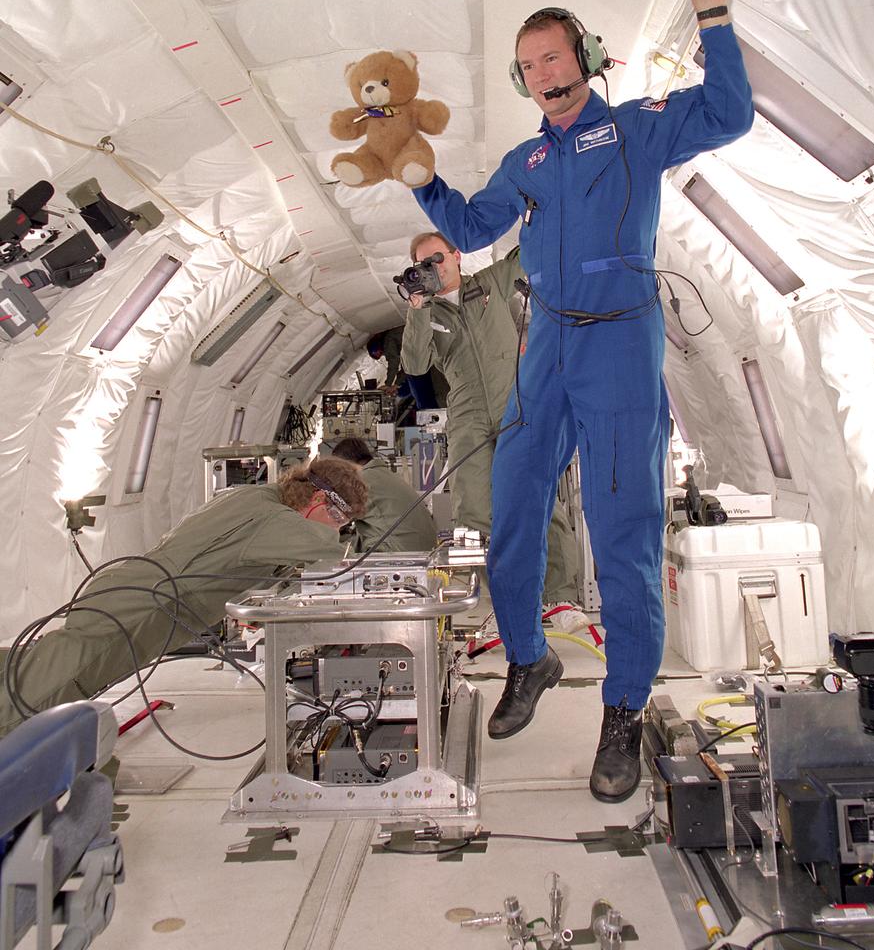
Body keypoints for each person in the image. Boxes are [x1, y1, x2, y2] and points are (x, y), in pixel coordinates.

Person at [410, 0, 753, 801]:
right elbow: (469, 223)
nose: (541, 76)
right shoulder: (523, 165)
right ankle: (526, 659)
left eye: (553, 59)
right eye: (528, 68)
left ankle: (625, 707)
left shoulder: (638, 126)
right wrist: (420, 178)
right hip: (547, 345)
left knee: (622, 531)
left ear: (586, 59)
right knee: (511, 509)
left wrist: (714, 17)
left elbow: (731, 112)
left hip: (620, 347)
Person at [0, 457, 367, 738]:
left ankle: (25, 740)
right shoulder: (274, 520)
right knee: (58, 668)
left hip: (144, 600)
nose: (338, 526)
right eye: (338, 516)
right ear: (319, 498)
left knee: (77, 679)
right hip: (141, 604)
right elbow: (330, 555)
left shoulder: (259, 497)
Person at [400, 232, 584, 616]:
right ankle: (507, 602)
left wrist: (540, 210)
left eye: (437, 258)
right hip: (467, 416)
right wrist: (417, 308)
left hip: (515, 406)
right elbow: (415, 366)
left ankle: (560, 596)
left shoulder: (489, 282)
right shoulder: (427, 314)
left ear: (455, 256)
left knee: (541, 500)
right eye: (423, 263)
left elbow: (529, 251)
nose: (432, 268)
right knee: (475, 515)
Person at [329, 436, 437, 553]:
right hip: (423, 548)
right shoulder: (385, 475)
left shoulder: (361, 481)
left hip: (400, 552)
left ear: (346, 465)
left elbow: (332, 519)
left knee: (331, 549)